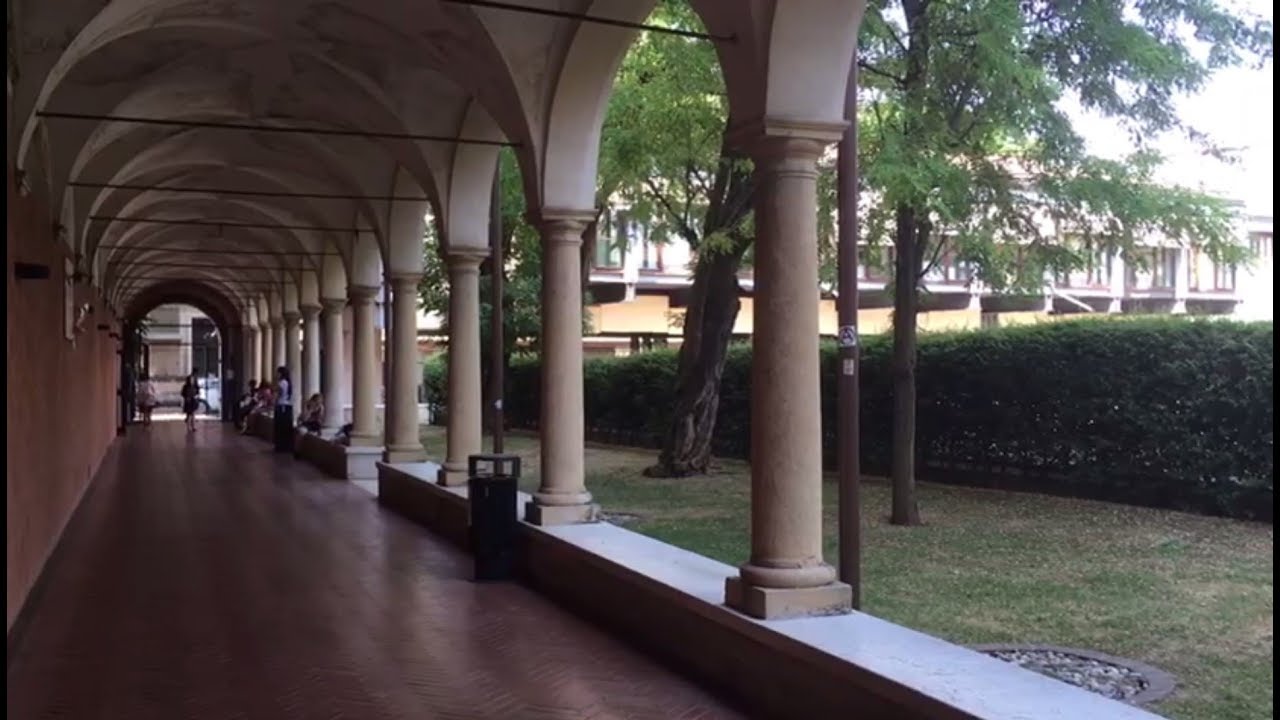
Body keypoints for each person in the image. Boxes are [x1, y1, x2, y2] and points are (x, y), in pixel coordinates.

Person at [273, 366, 294, 453]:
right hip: (287, 406)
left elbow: (278, 394)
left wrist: (274, 402)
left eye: (278, 373)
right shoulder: (288, 383)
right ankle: (286, 446)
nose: (276, 374)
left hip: (281, 406)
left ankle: (281, 446)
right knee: (285, 427)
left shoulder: (281, 383)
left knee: (280, 427)